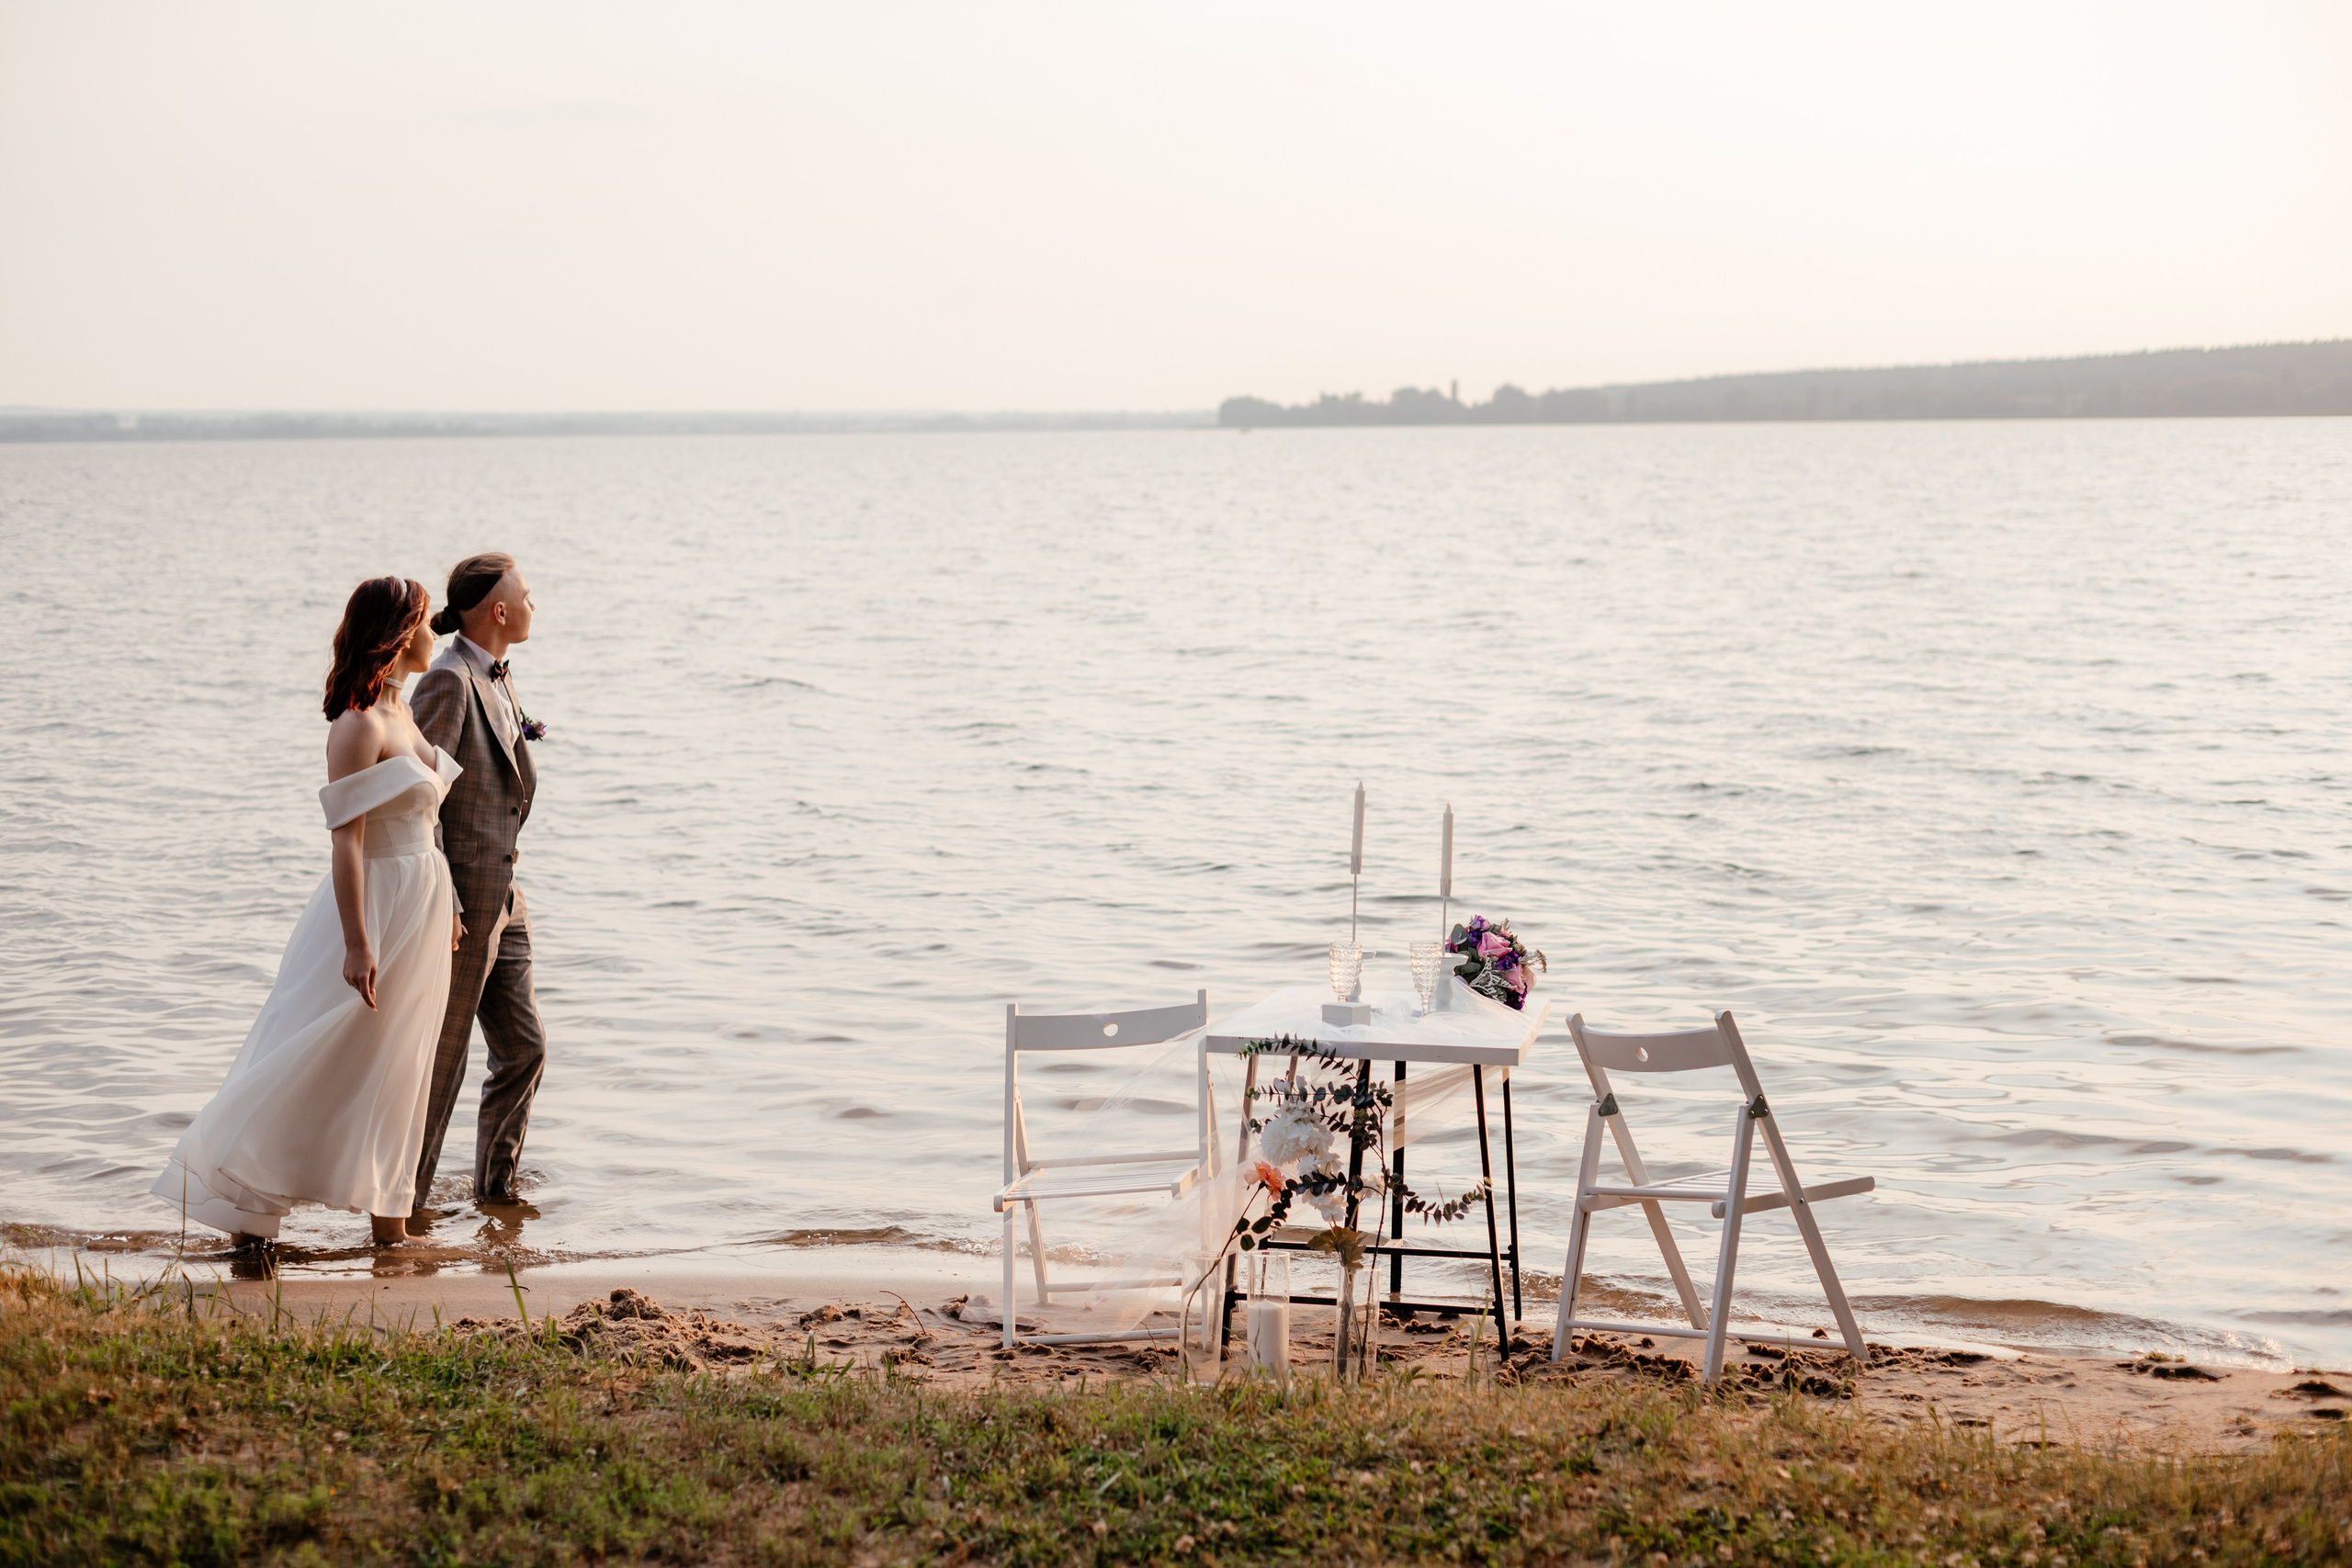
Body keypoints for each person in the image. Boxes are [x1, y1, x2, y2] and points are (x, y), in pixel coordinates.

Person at [152, 577, 463, 1247]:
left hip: (423, 904)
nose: (434, 632)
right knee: (318, 1049)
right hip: (373, 906)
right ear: (398, 632)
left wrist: (453, 904)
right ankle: (246, 1202)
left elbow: (427, 823)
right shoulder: (357, 725)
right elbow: (346, 843)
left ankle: (391, 1224)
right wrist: (356, 942)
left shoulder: (404, 713)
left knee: (404, 1062)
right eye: (423, 623)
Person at [409, 552, 545, 1219]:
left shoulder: (498, 677)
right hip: (461, 908)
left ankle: (496, 1196)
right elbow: (419, 803)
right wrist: (450, 902)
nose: (531, 603)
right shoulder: (446, 681)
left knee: (524, 1048)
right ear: (497, 609)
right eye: (525, 594)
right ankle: (402, 1210)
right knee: (444, 1063)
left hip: (507, 903)